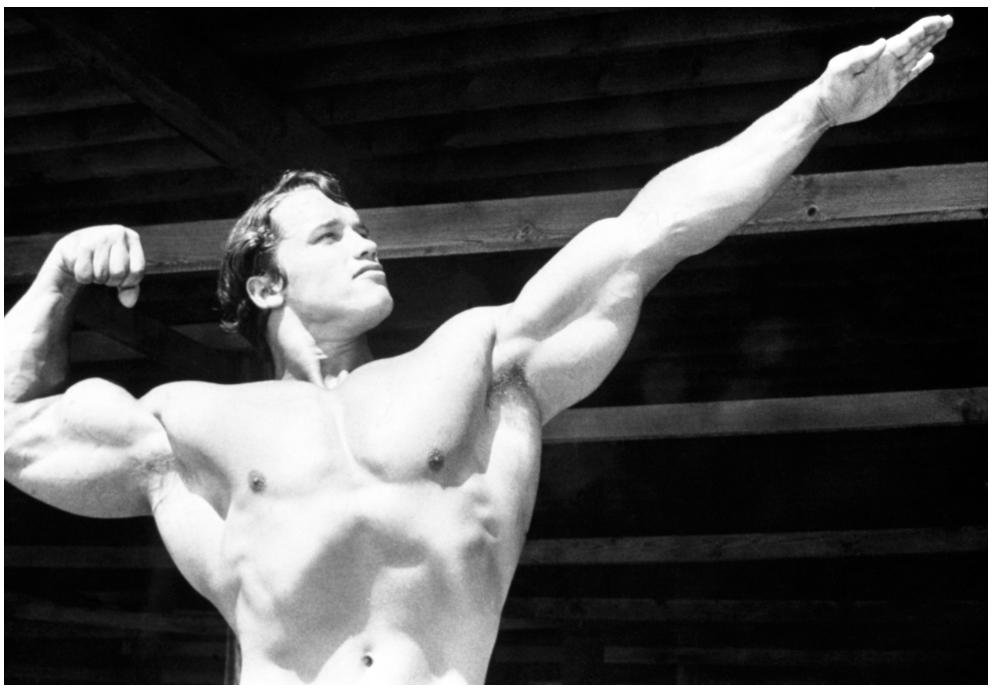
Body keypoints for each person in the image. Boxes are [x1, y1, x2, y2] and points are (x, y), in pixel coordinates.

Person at [4, 16, 952, 684]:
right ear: (266, 285)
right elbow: (11, 432)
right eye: (330, 233)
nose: (366, 240)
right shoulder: (193, 424)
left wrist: (816, 108)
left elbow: (646, 232)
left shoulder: (474, 361)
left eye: (362, 224)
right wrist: (54, 277)